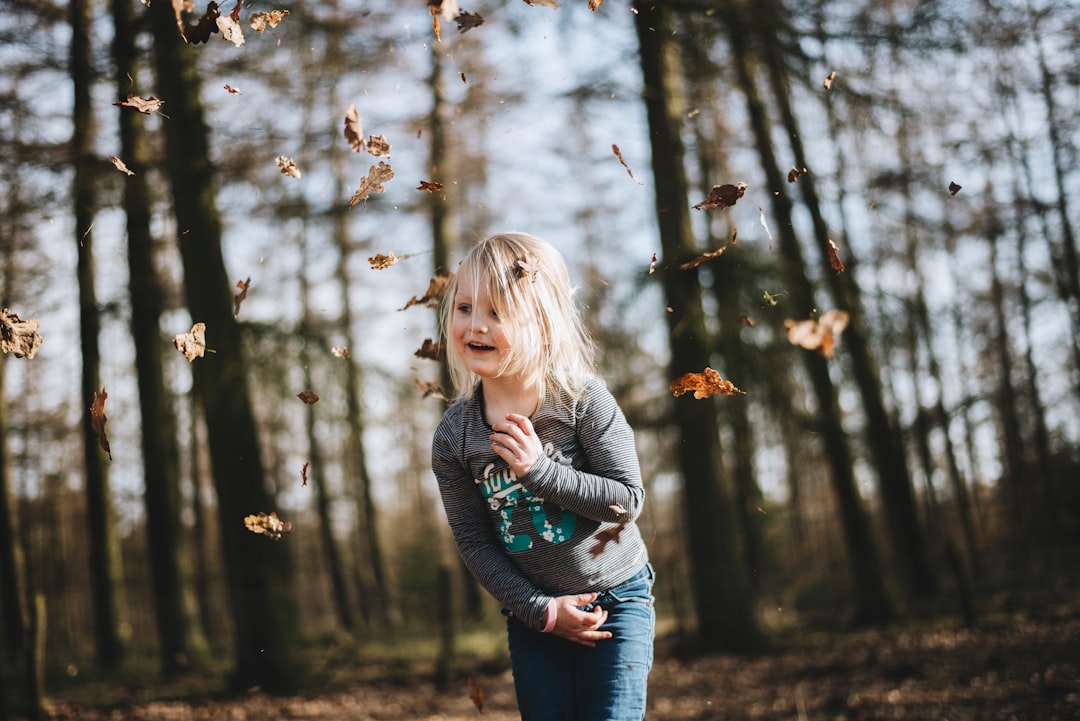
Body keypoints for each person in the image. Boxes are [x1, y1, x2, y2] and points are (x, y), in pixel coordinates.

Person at [431, 232, 655, 721]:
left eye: (497, 312)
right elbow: (475, 544)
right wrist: (542, 611)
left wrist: (539, 472)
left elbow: (627, 501)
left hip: (615, 598)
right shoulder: (455, 437)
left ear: (544, 324)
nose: (476, 325)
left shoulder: (583, 402)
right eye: (465, 307)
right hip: (537, 616)